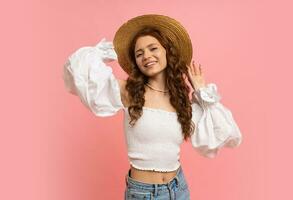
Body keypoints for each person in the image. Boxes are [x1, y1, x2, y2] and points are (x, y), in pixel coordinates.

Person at [63, 14, 242, 200]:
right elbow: (79, 71)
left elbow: (223, 133)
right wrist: (99, 53)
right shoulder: (128, 91)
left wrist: (202, 92)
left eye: (153, 48)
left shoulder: (181, 100)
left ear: (167, 52)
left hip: (179, 188)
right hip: (143, 193)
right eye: (139, 54)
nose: (146, 56)